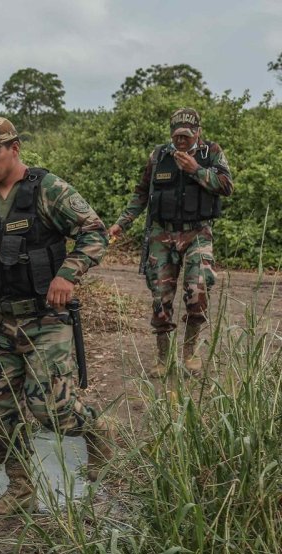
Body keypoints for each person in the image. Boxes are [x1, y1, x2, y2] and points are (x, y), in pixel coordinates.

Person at [0, 117, 121, 518]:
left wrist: (67, 274)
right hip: (2, 320)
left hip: (46, 319)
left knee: (52, 410)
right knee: (1, 414)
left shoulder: (47, 189)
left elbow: (94, 231)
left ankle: (98, 430)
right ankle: (20, 491)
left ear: (14, 148)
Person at [108, 107, 233, 377]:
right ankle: (164, 358)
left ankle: (190, 353)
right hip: (161, 234)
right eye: (177, 136)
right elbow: (141, 194)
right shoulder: (158, 155)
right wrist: (121, 223)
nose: (181, 141)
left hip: (197, 232)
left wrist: (197, 170)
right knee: (160, 297)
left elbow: (226, 185)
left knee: (197, 289)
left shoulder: (210, 152)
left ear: (198, 132)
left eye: (187, 136)